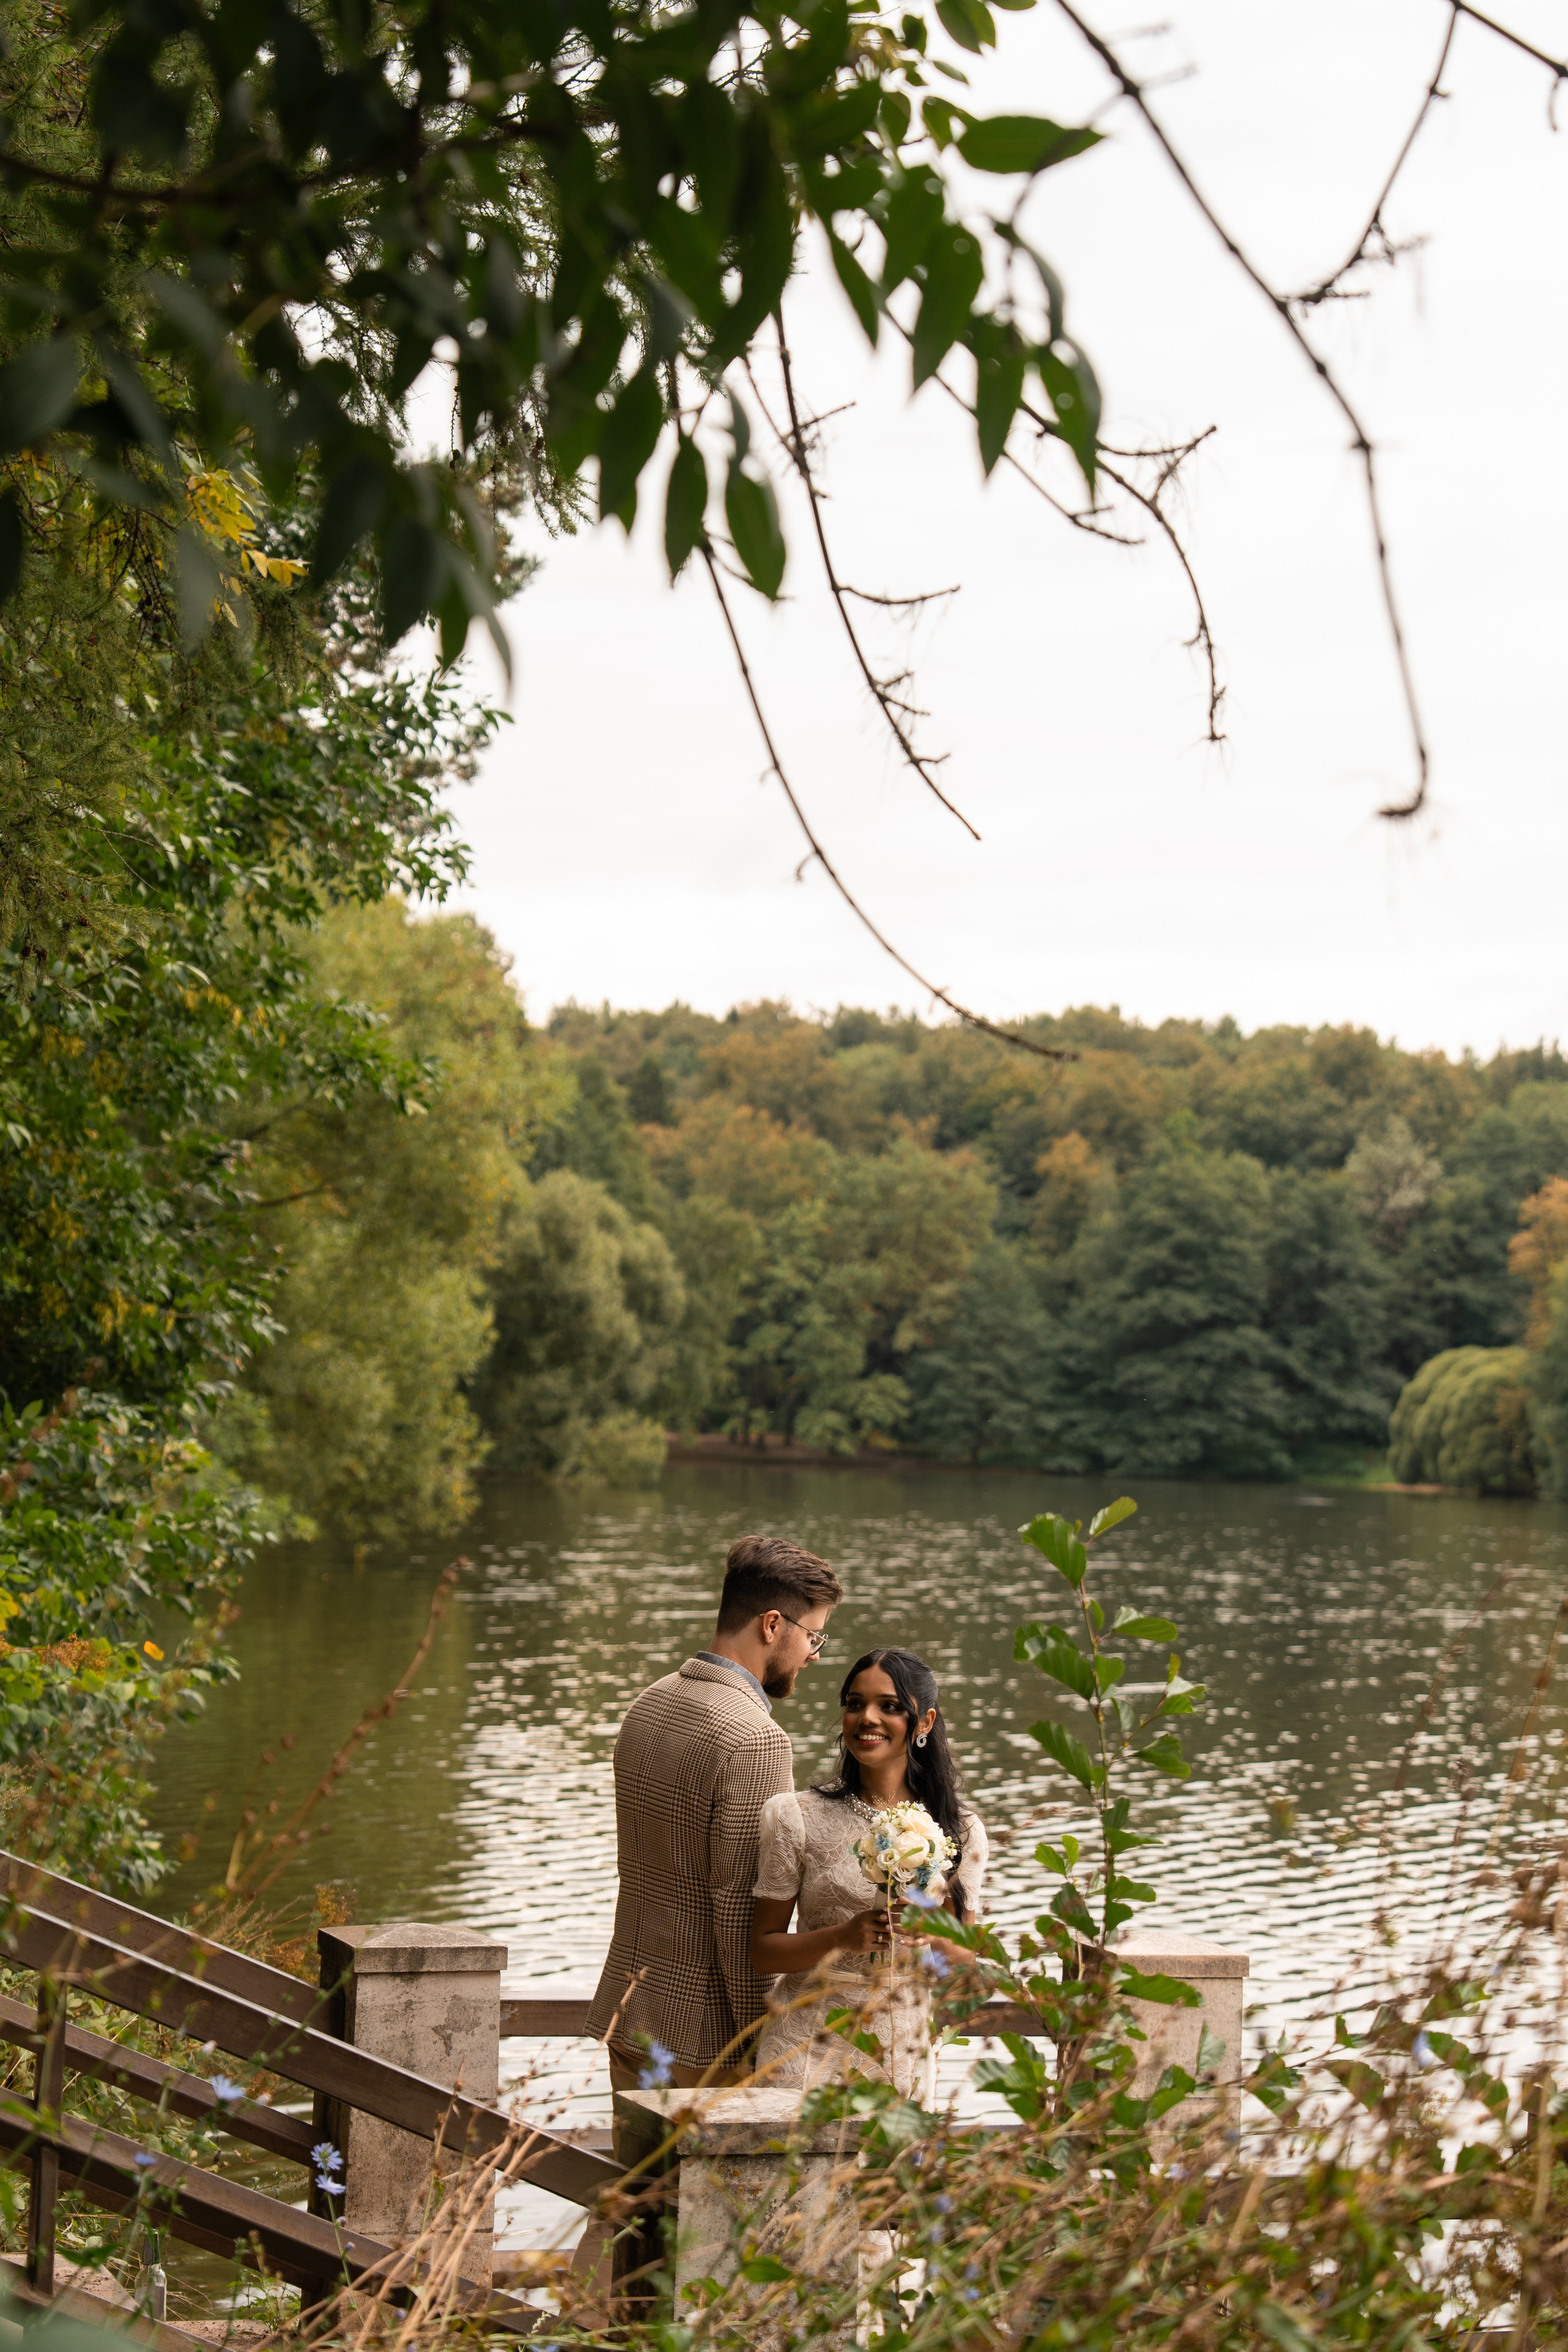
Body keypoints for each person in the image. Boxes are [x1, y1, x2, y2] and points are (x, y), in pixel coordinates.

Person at [584, 1532, 843, 2090]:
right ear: (773, 1625)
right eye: (814, 1636)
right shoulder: (756, 1739)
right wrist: (765, 2046)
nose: (814, 1656)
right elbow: (739, 1918)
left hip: (628, 2014)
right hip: (704, 2043)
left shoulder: (648, 1703)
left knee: (633, 2179)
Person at [747, 1648, 986, 2101]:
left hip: (901, 2050)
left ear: (925, 1723)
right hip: (803, 2050)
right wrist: (842, 1937)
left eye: (890, 1707)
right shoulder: (795, 1817)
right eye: (855, 1704)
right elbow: (764, 1951)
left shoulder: (961, 1830)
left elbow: (964, 1956)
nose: (866, 1718)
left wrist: (927, 1928)